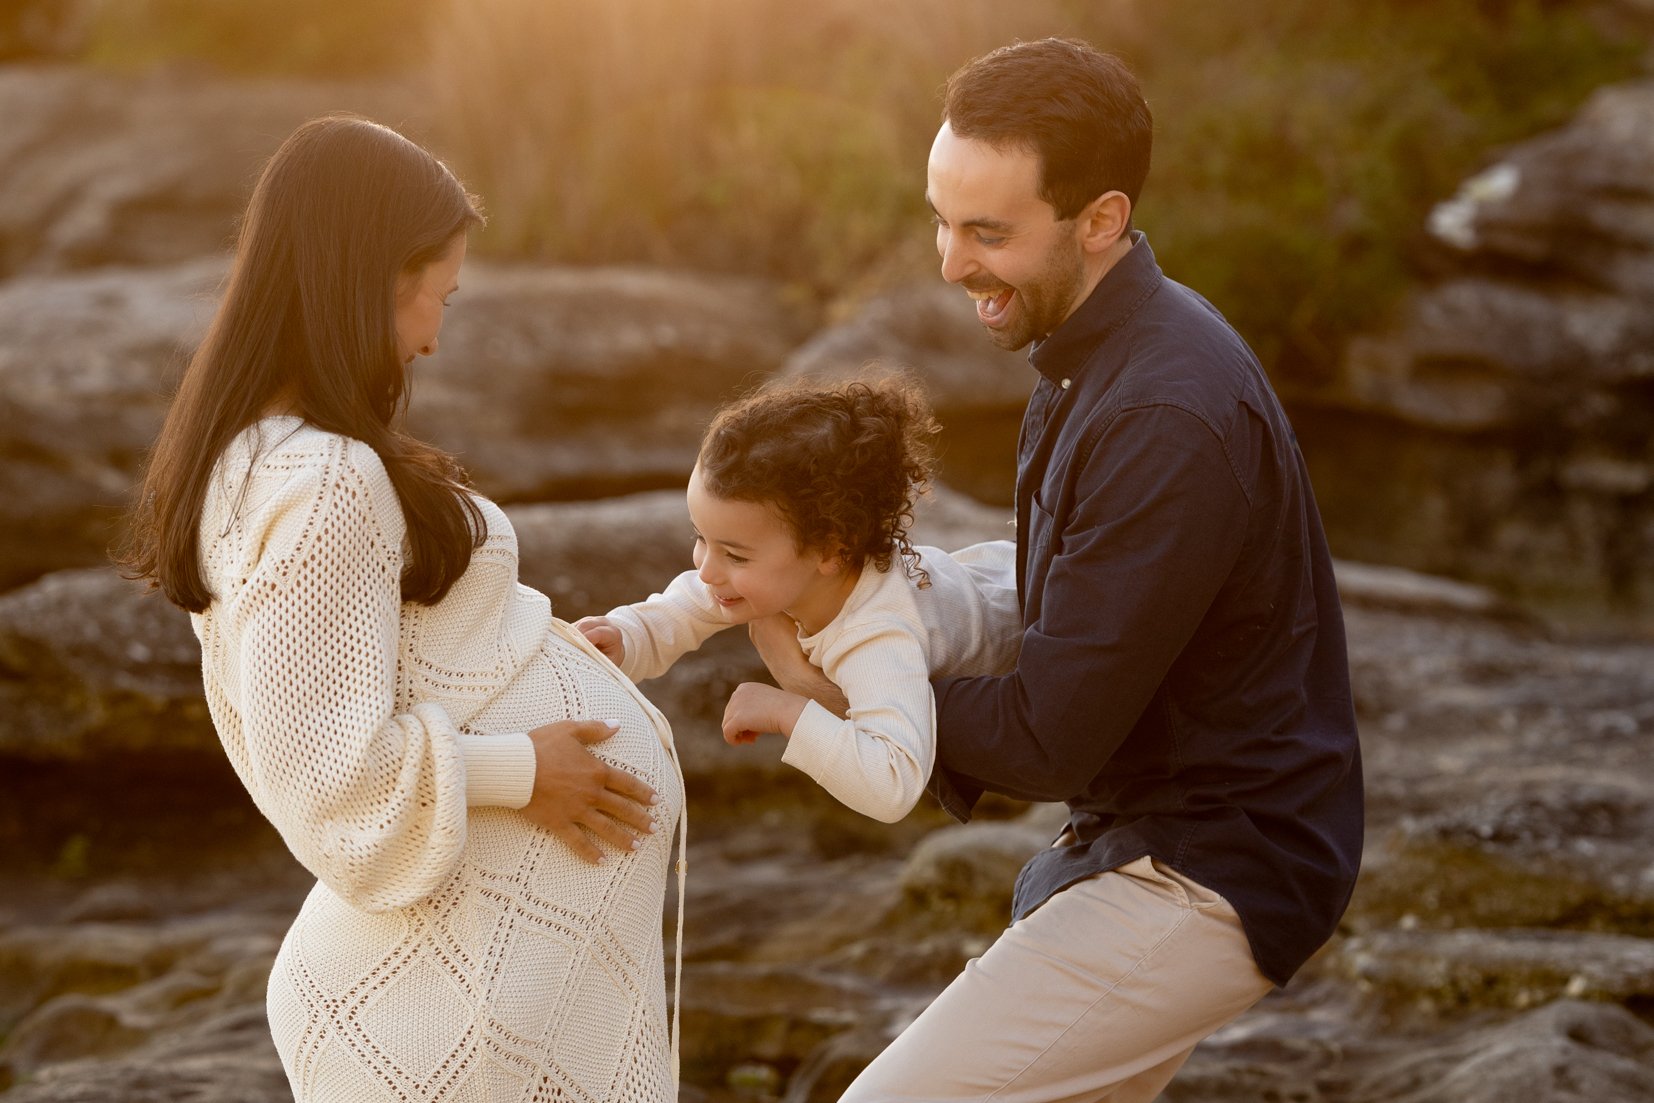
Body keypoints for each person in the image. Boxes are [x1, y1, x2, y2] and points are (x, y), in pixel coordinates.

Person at [758, 39, 1365, 1101]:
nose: (950, 263)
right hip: (1164, 839)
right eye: (942, 220)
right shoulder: (1093, 348)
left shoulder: (1162, 411)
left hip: (1208, 863)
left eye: (987, 231)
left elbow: (1050, 731)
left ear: (1100, 219)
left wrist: (853, 693)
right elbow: (1054, 592)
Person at [116, 115, 685, 1103]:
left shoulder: (264, 458)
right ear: (370, 276)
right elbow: (330, 776)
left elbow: (404, 664)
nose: (431, 336)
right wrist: (523, 766)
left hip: (468, 995)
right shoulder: (322, 478)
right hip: (434, 1012)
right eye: (438, 297)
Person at [576, 377, 1021, 823]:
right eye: (700, 538)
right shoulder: (776, 577)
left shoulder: (877, 635)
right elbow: (683, 608)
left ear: (830, 550)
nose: (707, 570)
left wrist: (789, 710)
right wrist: (626, 636)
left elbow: (893, 784)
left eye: (734, 553)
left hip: (1034, 618)